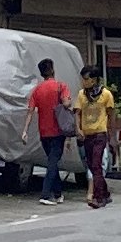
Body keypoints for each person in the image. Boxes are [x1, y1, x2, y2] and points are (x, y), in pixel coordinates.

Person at [27, 58, 74, 200]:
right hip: (58, 131)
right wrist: (70, 101)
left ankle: (58, 193)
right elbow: (66, 104)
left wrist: (24, 131)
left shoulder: (37, 90)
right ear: (52, 70)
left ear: (41, 73)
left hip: (44, 132)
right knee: (52, 163)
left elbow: (30, 111)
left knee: (52, 161)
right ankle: (45, 194)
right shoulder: (61, 86)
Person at [75, 71, 118, 208]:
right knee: (92, 166)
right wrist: (78, 129)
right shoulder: (82, 94)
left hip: (100, 133)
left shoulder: (106, 95)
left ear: (93, 80)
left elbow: (111, 116)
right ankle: (105, 193)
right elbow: (77, 113)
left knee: (96, 164)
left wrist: (112, 137)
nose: (84, 82)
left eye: (86, 79)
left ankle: (98, 197)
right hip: (87, 134)